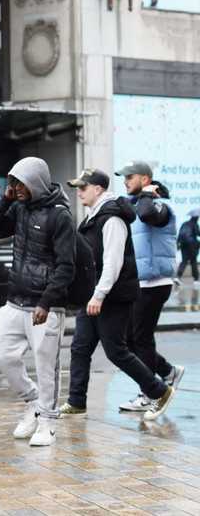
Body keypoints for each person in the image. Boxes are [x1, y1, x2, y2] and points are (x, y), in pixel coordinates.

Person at [61, 169, 174, 421]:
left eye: (83, 187)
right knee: (80, 348)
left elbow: (113, 262)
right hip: (93, 294)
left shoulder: (111, 218)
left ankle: (160, 391)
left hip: (112, 296)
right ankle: (76, 402)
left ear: (98, 189)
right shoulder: (93, 216)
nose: (79, 192)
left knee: (116, 351)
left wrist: (99, 295)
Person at [0, 157, 74, 447]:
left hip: (44, 306)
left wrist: (46, 302)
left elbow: (66, 266)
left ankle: (47, 421)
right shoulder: (19, 208)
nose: (16, 188)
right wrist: (5, 200)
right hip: (14, 300)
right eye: (13, 183)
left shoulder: (60, 216)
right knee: (4, 358)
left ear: (36, 181)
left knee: (46, 368)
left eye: (20, 183)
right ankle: (33, 402)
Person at [116, 160, 186, 413]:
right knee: (130, 339)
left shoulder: (160, 205)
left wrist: (147, 194)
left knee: (141, 338)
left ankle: (149, 393)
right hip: (141, 283)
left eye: (130, 177)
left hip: (155, 283)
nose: (125, 181)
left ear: (145, 179)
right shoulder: (137, 203)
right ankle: (167, 371)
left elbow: (147, 215)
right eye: (124, 177)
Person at [177, 211, 199, 281]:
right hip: (192, 246)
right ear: (196, 218)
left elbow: (180, 235)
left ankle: (178, 275)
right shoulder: (195, 224)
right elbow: (198, 233)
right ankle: (196, 278)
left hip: (183, 245)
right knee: (193, 261)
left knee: (184, 261)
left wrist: (178, 244)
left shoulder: (184, 224)